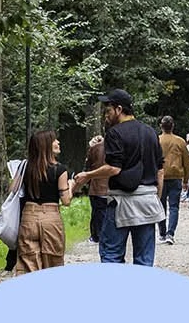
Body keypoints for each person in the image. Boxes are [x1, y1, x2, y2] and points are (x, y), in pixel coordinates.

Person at [74, 89, 165, 265]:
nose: (106, 116)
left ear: (119, 109)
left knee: (111, 254)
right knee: (144, 259)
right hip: (147, 201)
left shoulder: (115, 133)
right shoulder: (151, 132)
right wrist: (157, 197)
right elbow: (160, 171)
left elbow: (114, 168)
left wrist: (88, 175)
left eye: (108, 111)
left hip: (121, 202)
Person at [12, 130, 72, 273]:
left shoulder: (25, 167)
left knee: (29, 262)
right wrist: (72, 185)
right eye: (54, 140)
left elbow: (13, 190)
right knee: (53, 261)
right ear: (45, 145)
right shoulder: (60, 170)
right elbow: (66, 201)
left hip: (28, 218)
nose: (58, 142)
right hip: (51, 218)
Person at [158, 116, 189, 245]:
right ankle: (170, 233)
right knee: (174, 207)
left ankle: (162, 232)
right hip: (176, 177)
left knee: (160, 206)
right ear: (173, 126)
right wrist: (186, 180)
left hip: (160, 177)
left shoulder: (157, 140)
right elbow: (186, 162)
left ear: (161, 126)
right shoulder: (180, 141)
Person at [82, 135, 111, 245]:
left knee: (97, 213)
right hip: (113, 187)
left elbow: (87, 167)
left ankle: (97, 236)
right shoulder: (119, 146)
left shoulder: (95, 148)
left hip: (97, 188)